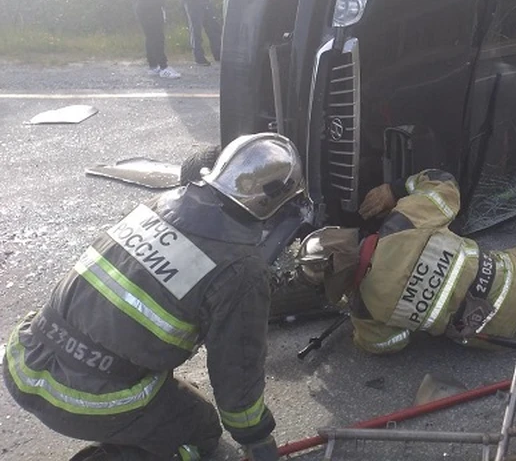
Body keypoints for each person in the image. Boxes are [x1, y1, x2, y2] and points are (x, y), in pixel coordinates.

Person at [2, 133, 306, 461]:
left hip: (26, 358)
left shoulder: (163, 203)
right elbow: (237, 370)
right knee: (200, 429)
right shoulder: (241, 269)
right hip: (79, 397)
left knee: (173, 401)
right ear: (274, 202)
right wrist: (256, 438)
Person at [297, 169, 516, 354]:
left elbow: (389, 344)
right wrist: (396, 187)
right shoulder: (401, 225)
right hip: (510, 282)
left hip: (481, 336)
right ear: (347, 236)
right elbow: (445, 184)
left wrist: (360, 321)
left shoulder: (364, 310)